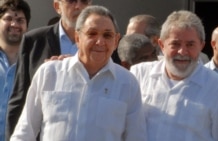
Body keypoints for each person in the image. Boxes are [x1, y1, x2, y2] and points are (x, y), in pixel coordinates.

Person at [10, 5, 146, 141]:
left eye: (107, 35)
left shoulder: (127, 83)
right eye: (92, 34)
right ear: (77, 38)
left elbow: (136, 137)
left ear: (116, 41)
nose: (100, 42)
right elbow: (24, 132)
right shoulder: (49, 74)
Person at [130, 10, 218, 141]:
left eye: (190, 44)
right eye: (175, 44)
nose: (182, 52)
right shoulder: (139, 75)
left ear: (201, 46)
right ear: (161, 45)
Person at [5, 0, 92, 140]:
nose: (78, 6)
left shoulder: (102, 45)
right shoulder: (34, 41)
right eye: (71, 1)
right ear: (57, 6)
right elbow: (19, 100)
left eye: (84, 1)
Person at [0, 0, 30, 140]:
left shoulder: (35, 63)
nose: (14, 24)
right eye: (8, 19)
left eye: (20, 20)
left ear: (27, 26)